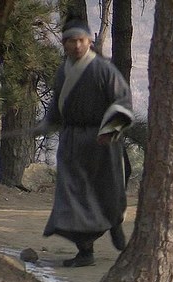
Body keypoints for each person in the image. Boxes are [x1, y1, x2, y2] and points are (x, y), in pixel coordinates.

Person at [35, 17, 133, 267]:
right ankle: (85, 250)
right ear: (64, 44)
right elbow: (58, 103)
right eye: (72, 41)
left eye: (81, 40)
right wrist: (47, 123)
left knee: (108, 191)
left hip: (102, 142)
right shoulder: (63, 72)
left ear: (89, 41)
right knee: (73, 197)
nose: (77, 45)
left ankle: (115, 223)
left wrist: (109, 131)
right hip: (72, 144)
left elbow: (123, 102)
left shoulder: (104, 70)